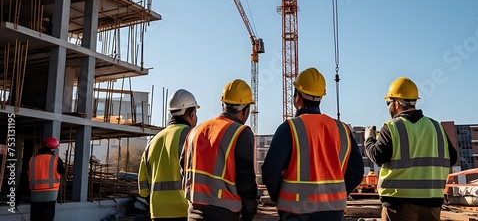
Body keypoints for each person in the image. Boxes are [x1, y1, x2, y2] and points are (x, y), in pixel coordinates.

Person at [262, 67, 364, 221]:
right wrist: (338, 194)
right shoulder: (342, 130)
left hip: (295, 212)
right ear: (321, 97)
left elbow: (270, 171)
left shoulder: (289, 128)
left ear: (298, 97)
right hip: (333, 213)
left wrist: (281, 198)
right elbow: (356, 171)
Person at [364, 77, 458, 221]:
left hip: (399, 205)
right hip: (432, 204)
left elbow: (378, 156)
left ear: (396, 103)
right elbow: (452, 158)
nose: (388, 106)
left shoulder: (392, 127)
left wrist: (369, 140)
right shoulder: (436, 127)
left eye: (388, 102)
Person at [180, 79, 257, 221]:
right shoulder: (241, 132)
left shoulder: (195, 131)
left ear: (223, 105)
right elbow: (245, 179)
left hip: (193, 212)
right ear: (246, 109)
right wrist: (249, 212)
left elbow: (183, 169)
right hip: (225, 214)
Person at [138, 89, 200, 221]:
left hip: (157, 213)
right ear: (192, 114)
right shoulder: (192, 137)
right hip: (185, 212)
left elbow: (143, 187)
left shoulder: (153, 141)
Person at [28, 136, 65, 221]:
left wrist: (17, 198)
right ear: (53, 149)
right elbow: (62, 171)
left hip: (35, 195)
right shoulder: (56, 159)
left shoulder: (32, 160)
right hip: (50, 195)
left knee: (35, 218)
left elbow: (25, 177)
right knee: (47, 218)